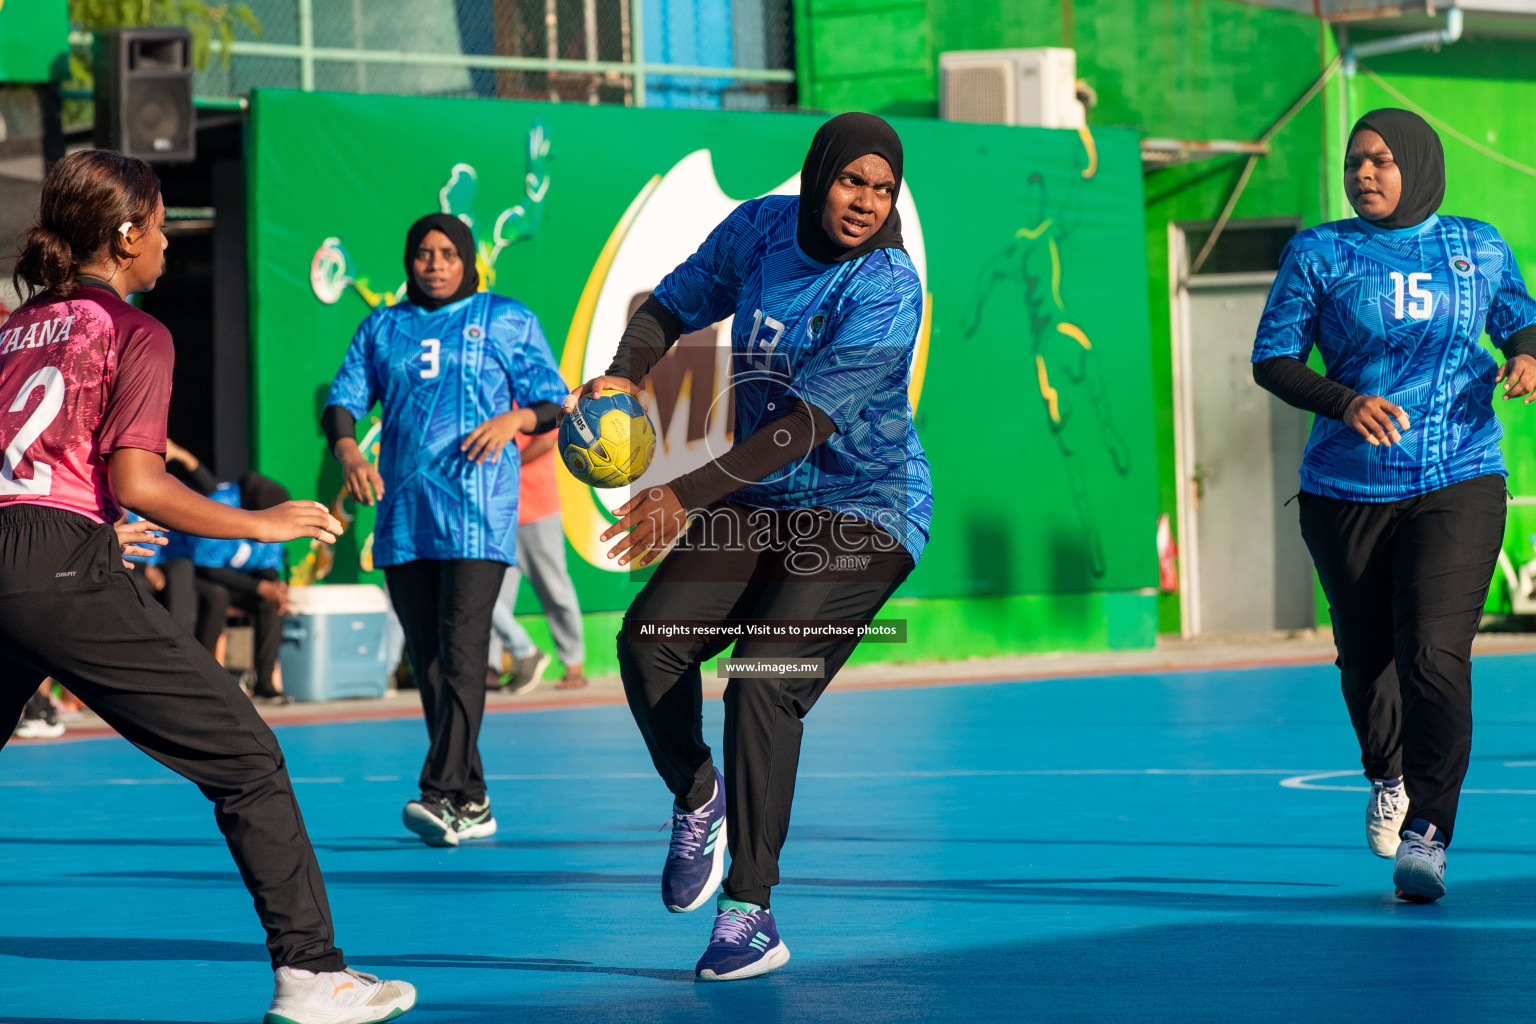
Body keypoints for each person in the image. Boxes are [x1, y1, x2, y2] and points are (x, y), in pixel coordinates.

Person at [0, 150, 415, 1021]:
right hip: (60, 565)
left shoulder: (11, 328)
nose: (166, 239)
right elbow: (142, 483)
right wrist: (261, 525)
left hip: (23, 548)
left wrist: (72, 529)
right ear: (124, 236)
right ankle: (311, 974)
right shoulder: (135, 332)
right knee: (247, 759)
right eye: (157, 223)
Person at [570, 112, 931, 980]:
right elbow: (673, 302)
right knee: (647, 643)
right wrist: (625, 371)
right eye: (854, 181)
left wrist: (682, 495)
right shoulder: (762, 230)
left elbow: (805, 424)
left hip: (864, 509)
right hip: (764, 501)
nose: (866, 203)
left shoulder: (887, 287)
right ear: (819, 176)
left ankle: (750, 911)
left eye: (883, 190)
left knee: (764, 682)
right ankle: (698, 793)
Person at [1252, 108, 1536, 902]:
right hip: (1345, 489)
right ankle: (1388, 773)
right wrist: (1343, 402)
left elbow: (1523, 319)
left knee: (1435, 657)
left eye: (1380, 160)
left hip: (1459, 475)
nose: (1365, 173)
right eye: (1354, 163)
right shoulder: (1320, 251)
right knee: (1367, 662)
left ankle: (1430, 836)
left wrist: (1528, 356)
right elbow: (1272, 358)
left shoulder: (1476, 247)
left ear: (1417, 162)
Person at [323, 212, 568, 847]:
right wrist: (349, 451)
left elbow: (553, 399)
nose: (434, 264)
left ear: (467, 259)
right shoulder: (384, 326)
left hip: (478, 513)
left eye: (447, 253)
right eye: (423, 253)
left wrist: (515, 418)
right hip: (404, 513)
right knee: (430, 662)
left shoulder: (505, 318)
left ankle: (438, 793)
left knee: (463, 654)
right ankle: (473, 799)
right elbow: (345, 398)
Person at [487, 414, 588, 694]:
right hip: (496, 512)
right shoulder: (488, 384)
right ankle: (491, 666)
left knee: (554, 588)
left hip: (537, 509)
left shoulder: (533, 382)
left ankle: (573, 664)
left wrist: (505, 464)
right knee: (494, 596)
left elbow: (547, 439)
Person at [189, 473, 294, 703]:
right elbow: (207, 567)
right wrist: (260, 587)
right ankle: (203, 684)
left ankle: (265, 685)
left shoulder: (274, 515)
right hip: (201, 576)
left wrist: (274, 590)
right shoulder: (218, 506)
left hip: (241, 580)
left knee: (272, 601)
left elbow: (269, 566)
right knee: (217, 596)